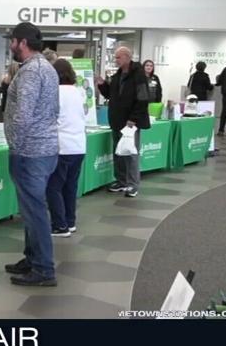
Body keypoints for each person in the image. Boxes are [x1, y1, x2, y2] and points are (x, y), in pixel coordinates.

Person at [1, 22, 59, 287]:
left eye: (12, 40)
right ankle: (32, 258)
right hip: (43, 148)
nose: (10, 45)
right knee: (32, 209)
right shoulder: (45, 68)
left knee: (35, 211)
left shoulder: (32, 72)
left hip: (30, 151)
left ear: (22, 42)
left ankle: (44, 269)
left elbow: (22, 115)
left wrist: (14, 143)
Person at [96, 46, 151, 198]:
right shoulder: (118, 75)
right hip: (116, 120)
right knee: (119, 152)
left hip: (130, 122)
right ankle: (121, 181)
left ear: (127, 57)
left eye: (118, 57)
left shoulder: (138, 75)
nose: (116, 60)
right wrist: (102, 85)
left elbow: (143, 99)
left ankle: (133, 184)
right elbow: (110, 95)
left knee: (131, 153)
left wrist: (133, 119)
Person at [45, 60, 86, 238]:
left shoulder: (54, 93)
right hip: (79, 145)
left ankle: (59, 225)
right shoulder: (79, 92)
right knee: (70, 186)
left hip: (61, 146)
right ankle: (70, 222)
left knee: (53, 187)